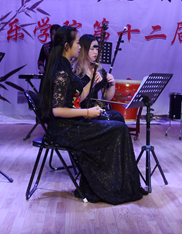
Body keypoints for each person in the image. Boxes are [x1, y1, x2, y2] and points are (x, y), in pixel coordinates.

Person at [39, 26, 145, 204]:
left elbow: (76, 98)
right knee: (119, 129)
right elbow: (57, 110)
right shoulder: (63, 72)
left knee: (118, 126)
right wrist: (88, 112)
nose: (80, 46)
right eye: (78, 42)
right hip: (65, 130)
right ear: (67, 46)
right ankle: (109, 186)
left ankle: (116, 184)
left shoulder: (64, 67)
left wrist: (96, 88)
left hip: (72, 124)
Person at [73, 34, 124, 122]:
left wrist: (112, 84)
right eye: (92, 49)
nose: (95, 52)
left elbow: (106, 96)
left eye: (97, 49)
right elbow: (76, 99)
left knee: (118, 116)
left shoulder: (99, 70)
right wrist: (91, 83)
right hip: (82, 111)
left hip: (96, 109)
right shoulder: (75, 72)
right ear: (83, 50)